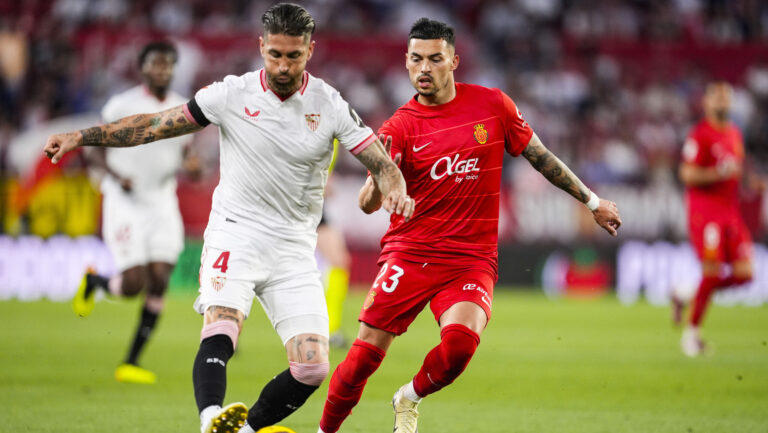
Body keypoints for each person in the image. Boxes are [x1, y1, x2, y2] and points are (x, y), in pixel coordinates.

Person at [43, 4, 414, 433]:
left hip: (294, 247)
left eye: (293, 55)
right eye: (274, 54)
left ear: (310, 51)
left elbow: (382, 164)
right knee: (223, 325)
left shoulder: (328, 103)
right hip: (235, 234)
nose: (282, 65)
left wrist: (397, 189)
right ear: (261, 47)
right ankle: (209, 420)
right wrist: (80, 136)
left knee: (312, 367)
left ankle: (243, 429)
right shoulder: (230, 94)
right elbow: (154, 125)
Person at [317, 18, 622, 433]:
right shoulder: (399, 127)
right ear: (406, 64)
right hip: (410, 254)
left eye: (434, 59)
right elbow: (367, 202)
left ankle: (408, 397)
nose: (424, 68)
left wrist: (591, 201)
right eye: (415, 59)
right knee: (362, 358)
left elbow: (540, 156)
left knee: (460, 346)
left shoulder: (493, 105)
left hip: (470, 258)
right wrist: (381, 184)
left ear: (454, 61)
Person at [71, 40, 199, 385]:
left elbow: (188, 154)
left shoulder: (181, 107)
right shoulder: (122, 104)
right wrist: (114, 176)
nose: (162, 70)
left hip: (162, 199)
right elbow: (94, 149)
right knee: (133, 284)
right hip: (124, 200)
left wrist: (193, 167)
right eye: (155, 64)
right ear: (142, 68)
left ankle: (131, 361)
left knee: (160, 278)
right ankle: (97, 281)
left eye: (167, 65)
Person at [675, 82, 753, 357]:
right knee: (712, 271)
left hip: (730, 212)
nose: (721, 102)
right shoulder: (700, 135)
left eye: (725, 97)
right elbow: (687, 174)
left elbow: (736, 173)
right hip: (705, 211)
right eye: (716, 97)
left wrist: (752, 183)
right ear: (706, 103)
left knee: (745, 274)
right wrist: (717, 173)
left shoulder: (734, 134)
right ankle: (691, 335)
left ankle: (687, 294)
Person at [318, 141, 352, 349]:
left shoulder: (335, 122)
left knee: (339, 261)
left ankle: (331, 330)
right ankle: (228, 327)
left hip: (314, 205)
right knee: (260, 265)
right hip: (289, 203)